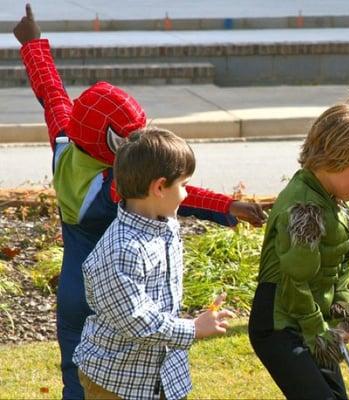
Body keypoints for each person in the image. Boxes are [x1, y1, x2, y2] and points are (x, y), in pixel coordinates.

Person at [13, 4, 266, 398]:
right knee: (109, 369)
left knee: (74, 374)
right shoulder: (115, 184)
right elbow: (181, 193)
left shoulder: (66, 138)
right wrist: (226, 206)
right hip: (111, 288)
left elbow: (51, 92)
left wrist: (33, 42)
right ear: (114, 145)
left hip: (72, 287)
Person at [248, 97, 349, 400]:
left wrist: (340, 312)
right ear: (335, 160)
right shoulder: (303, 206)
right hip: (279, 323)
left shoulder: (344, 200)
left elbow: (339, 262)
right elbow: (295, 281)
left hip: (311, 316)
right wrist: (318, 332)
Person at [73, 127, 235, 399]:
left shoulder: (165, 224)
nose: (186, 194)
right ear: (159, 187)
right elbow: (137, 320)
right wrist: (193, 328)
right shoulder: (122, 249)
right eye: (183, 185)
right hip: (117, 381)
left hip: (161, 375)